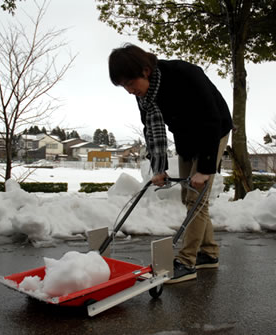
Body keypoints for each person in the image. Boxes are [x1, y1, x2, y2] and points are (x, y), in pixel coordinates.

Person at [108, 44, 233, 284]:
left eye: (130, 84)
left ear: (145, 71)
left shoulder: (184, 74)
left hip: (213, 132)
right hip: (186, 136)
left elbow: (211, 118)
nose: (129, 90)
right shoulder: (144, 95)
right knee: (189, 195)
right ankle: (208, 253)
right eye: (124, 86)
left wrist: (205, 168)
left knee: (196, 196)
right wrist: (159, 168)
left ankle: (187, 262)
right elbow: (152, 130)